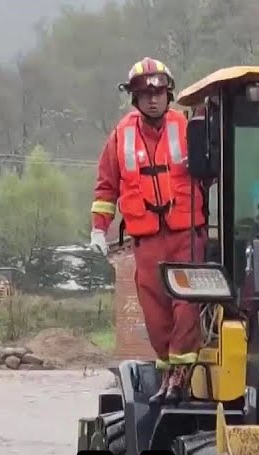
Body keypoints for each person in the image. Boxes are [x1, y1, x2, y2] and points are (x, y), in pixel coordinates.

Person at [88, 57, 207, 403]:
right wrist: (99, 229)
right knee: (155, 312)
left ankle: (181, 375)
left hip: (186, 234)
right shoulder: (120, 136)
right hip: (147, 241)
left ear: (168, 94)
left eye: (158, 93)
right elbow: (106, 187)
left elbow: (212, 171)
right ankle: (168, 370)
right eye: (145, 94)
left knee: (186, 305)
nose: (153, 99)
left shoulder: (187, 127)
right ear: (135, 98)